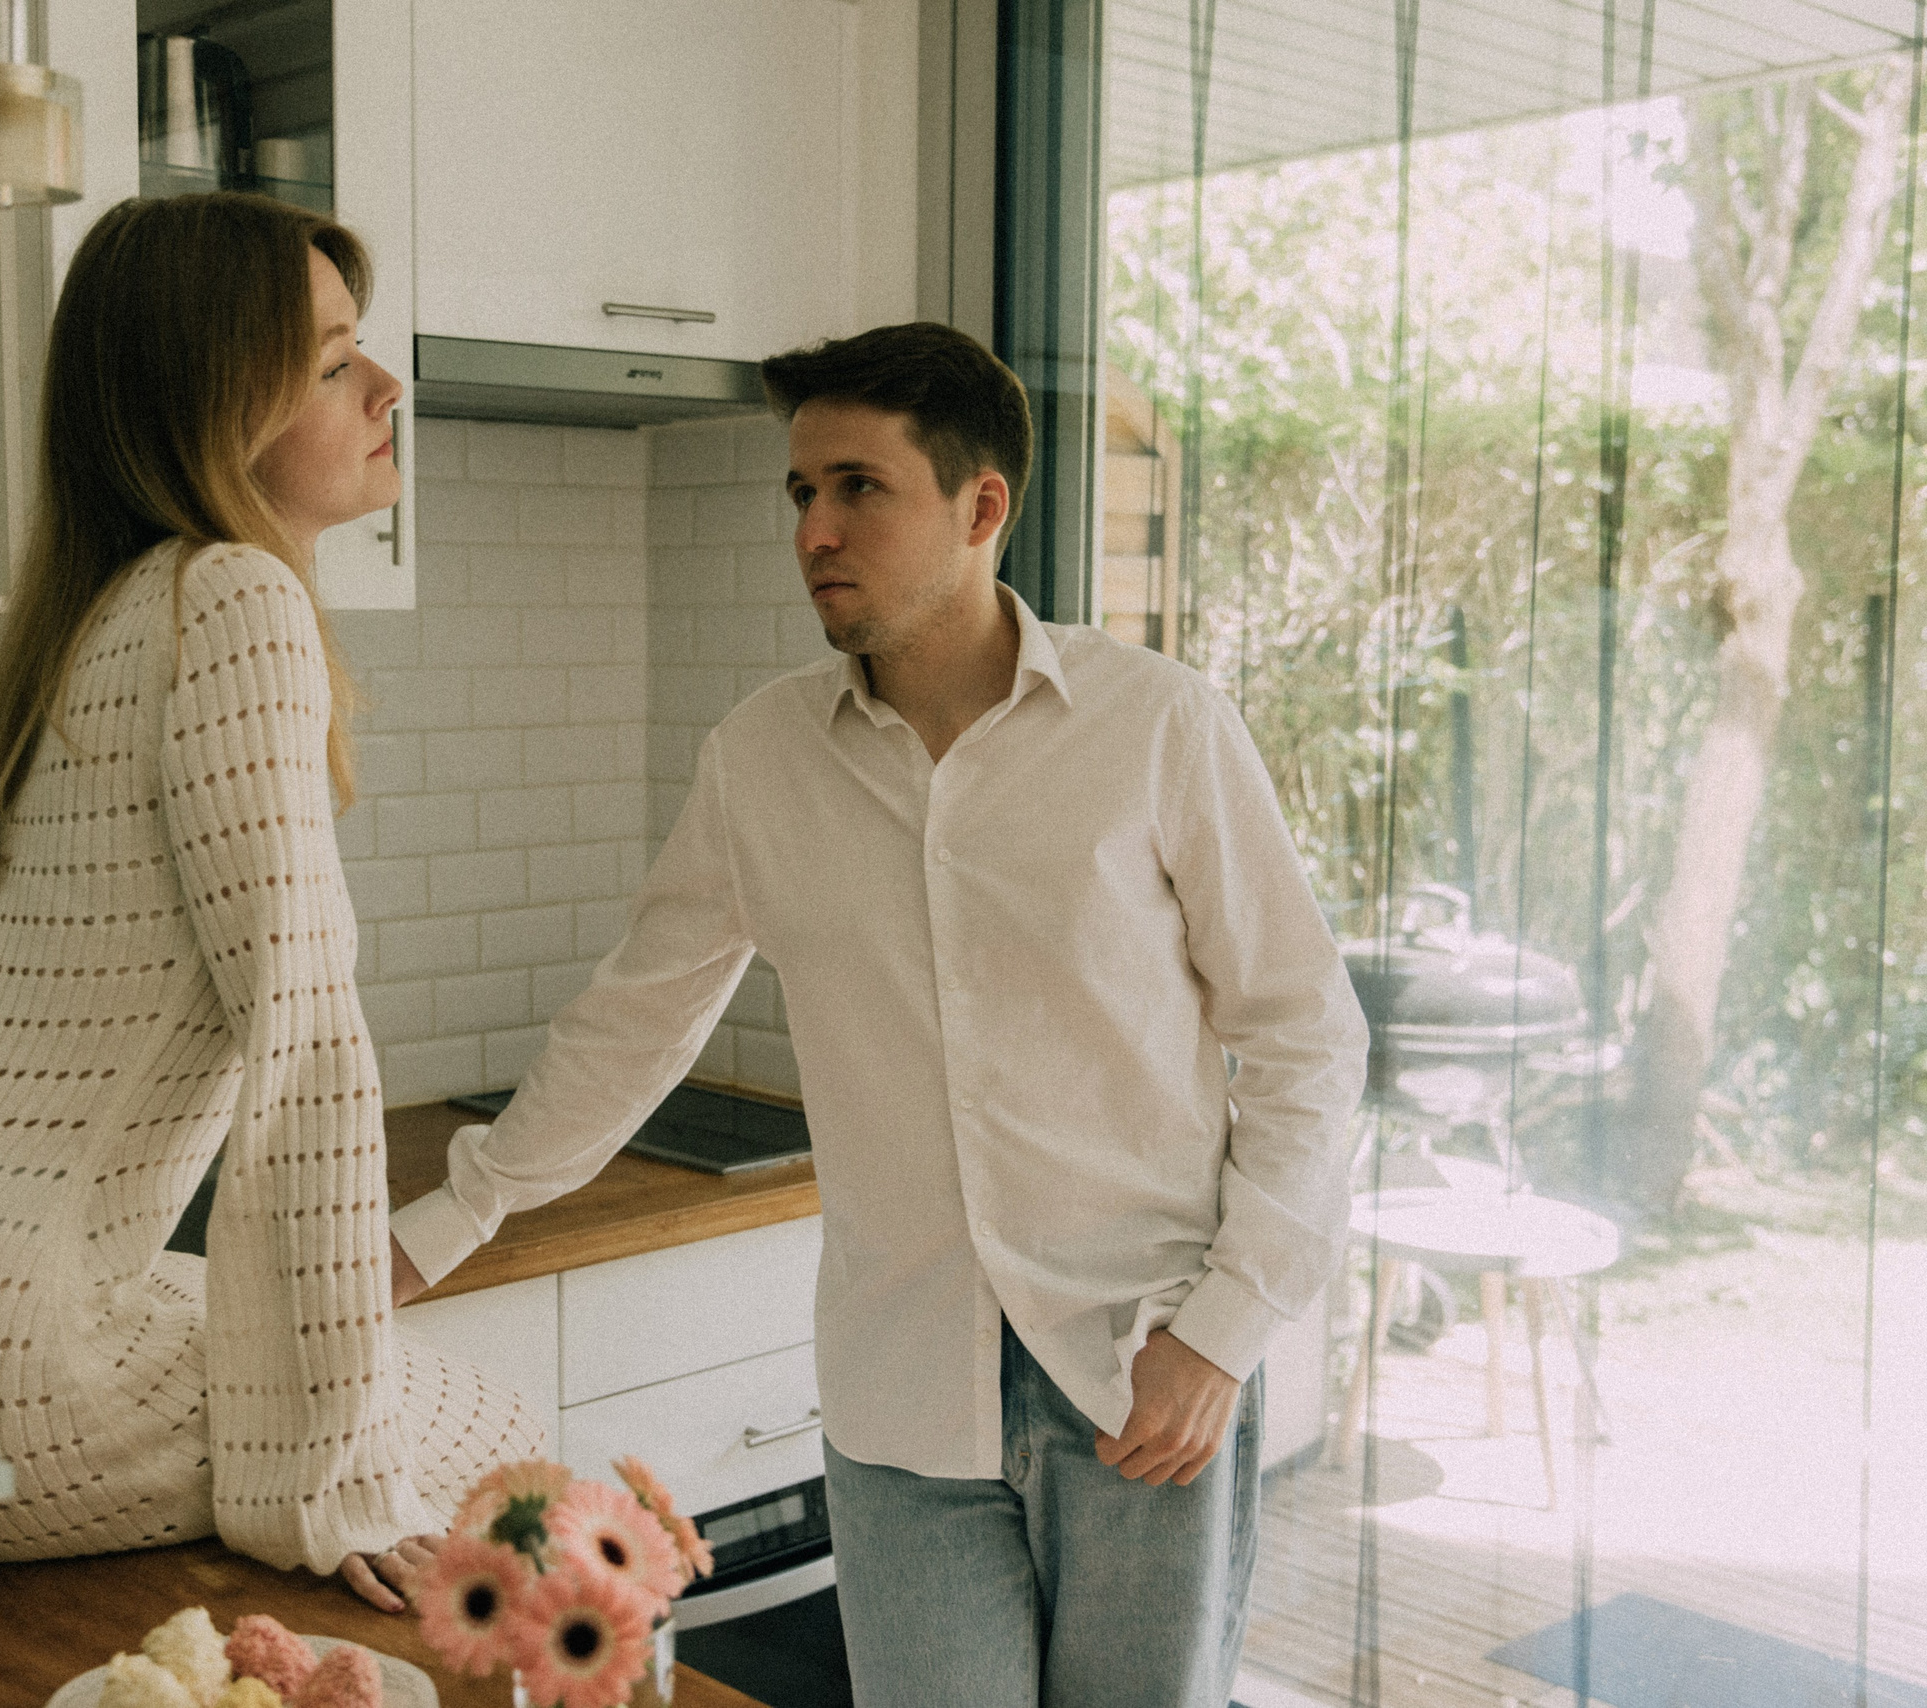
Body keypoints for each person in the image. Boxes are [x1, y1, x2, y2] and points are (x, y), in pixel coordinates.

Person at [385, 322, 1369, 1706]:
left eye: (860, 487)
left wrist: (1223, 1333)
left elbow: (1306, 1036)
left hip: (1143, 1375)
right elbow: (634, 1026)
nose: (815, 531)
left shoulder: (1159, 727)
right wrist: (450, 1219)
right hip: (903, 1397)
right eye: (801, 491)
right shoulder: (762, 761)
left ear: (981, 507)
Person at [0, 193, 544, 1610]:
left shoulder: (105, 609)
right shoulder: (235, 599)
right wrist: (334, 1484)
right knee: (503, 1439)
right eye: (332, 363)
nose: (387, 386)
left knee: (265, 1338)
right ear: (211, 410)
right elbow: (303, 1058)